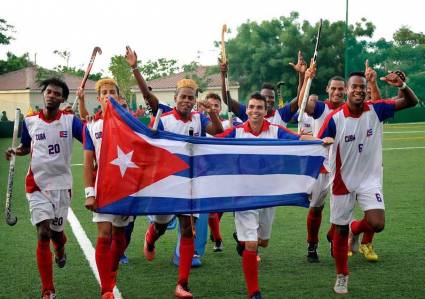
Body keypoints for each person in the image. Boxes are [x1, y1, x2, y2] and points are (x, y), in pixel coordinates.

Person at [127, 44, 224, 299]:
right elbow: (147, 95)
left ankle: (182, 283)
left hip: (189, 182)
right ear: (176, 97)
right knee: (160, 226)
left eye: (191, 97)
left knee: (186, 228)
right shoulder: (164, 115)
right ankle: (151, 237)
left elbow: (219, 133)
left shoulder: (199, 119)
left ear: (195, 100)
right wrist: (136, 67)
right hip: (165, 181)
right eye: (183, 96)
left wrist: (213, 113)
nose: (187, 100)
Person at [216, 92, 333, 298]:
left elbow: (299, 138)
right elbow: (212, 143)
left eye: (259, 107)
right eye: (251, 107)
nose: (254, 111)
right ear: (247, 110)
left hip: (269, 195)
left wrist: (320, 140)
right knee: (252, 244)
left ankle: (243, 239)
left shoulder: (275, 131)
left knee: (262, 241)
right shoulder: (237, 132)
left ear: (265, 111)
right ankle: (254, 292)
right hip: (243, 196)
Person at [318, 69, 418, 294]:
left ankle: (356, 228)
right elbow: (319, 144)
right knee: (340, 233)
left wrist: (401, 86)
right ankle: (342, 275)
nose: (359, 90)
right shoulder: (335, 119)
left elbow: (412, 102)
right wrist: (322, 142)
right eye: (354, 87)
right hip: (342, 182)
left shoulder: (377, 109)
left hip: (369, 180)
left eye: (362, 87)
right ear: (347, 91)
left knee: (377, 224)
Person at [5, 78, 83, 299]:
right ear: (44, 94)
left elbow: (89, 139)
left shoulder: (70, 120)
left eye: (56, 93)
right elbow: (25, 147)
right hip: (37, 185)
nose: (51, 95)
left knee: (57, 236)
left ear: (62, 99)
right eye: (48, 92)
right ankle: (48, 290)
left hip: (62, 186)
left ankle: (60, 248)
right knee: (43, 233)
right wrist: (14, 151)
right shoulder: (30, 122)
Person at [81, 78, 132, 299]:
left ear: (119, 97)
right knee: (104, 235)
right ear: (99, 98)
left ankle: (112, 269)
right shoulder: (92, 126)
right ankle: (106, 290)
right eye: (104, 92)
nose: (108, 95)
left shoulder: (130, 123)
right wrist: (89, 193)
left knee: (120, 236)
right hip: (104, 188)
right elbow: (87, 163)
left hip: (126, 188)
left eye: (112, 91)